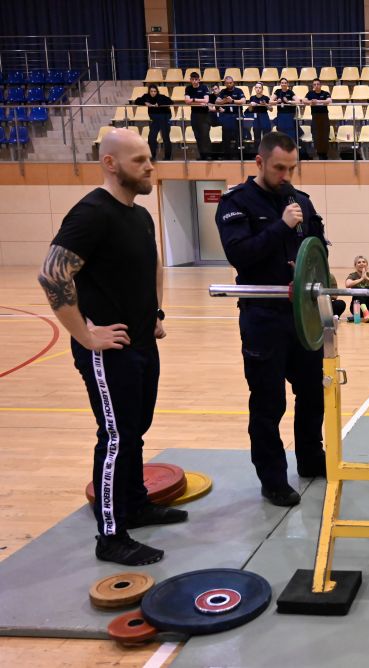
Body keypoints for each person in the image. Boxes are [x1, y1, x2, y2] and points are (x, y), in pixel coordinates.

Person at [39, 128, 181, 565]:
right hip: (108, 352)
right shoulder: (91, 214)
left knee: (136, 428)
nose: (150, 167)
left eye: (150, 158)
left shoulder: (140, 215)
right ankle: (111, 535)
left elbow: (152, 264)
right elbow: (52, 273)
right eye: (140, 160)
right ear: (110, 163)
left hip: (141, 343)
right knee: (117, 438)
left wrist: (155, 313)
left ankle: (135, 504)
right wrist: (85, 335)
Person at [215, 131, 339, 507]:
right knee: (268, 402)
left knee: (312, 394)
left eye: (291, 168)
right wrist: (280, 226)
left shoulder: (302, 201)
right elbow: (240, 255)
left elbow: (317, 254)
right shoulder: (236, 203)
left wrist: (327, 293)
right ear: (260, 162)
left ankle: (310, 458)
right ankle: (272, 479)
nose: (286, 175)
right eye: (279, 168)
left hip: (304, 317)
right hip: (263, 318)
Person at [135, 84, 172, 161]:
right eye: (151, 91)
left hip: (164, 118)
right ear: (149, 91)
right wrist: (145, 103)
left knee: (166, 138)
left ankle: (167, 157)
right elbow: (137, 100)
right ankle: (152, 156)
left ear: (157, 91)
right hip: (155, 120)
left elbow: (170, 101)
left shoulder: (161, 96)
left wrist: (159, 103)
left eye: (155, 91)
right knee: (151, 138)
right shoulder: (146, 96)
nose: (153, 93)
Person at [345, 255, 369, 323]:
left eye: (363, 262)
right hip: (358, 309)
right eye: (359, 262)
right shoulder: (353, 275)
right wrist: (361, 279)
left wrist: (367, 278)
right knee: (359, 290)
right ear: (355, 265)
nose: (361, 264)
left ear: (367, 264)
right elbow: (347, 284)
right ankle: (366, 313)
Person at [216, 76, 246, 159]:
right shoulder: (223, 91)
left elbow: (243, 101)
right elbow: (217, 101)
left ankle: (238, 155)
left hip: (237, 115)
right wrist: (224, 101)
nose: (229, 84)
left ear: (233, 82)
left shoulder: (238, 90)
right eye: (227, 83)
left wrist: (232, 101)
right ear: (225, 84)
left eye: (230, 83)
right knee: (226, 136)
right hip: (227, 116)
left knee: (238, 136)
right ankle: (227, 155)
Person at [184, 71, 212, 159]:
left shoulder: (204, 87)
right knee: (197, 136)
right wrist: (199, 101)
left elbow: (206, 100)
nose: (194, 81)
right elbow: (187, 101)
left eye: (196, 79)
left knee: (205, 136)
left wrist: (193, 100)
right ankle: (202, 155)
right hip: (194, 115)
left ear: (199, 80)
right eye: (193, 79)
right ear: (190, 80)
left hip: (204, 115)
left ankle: (209, 155)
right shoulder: (188, 88)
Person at [305, 79, 331, 160]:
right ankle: (319, 154)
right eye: (314, 84)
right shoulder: (310, 93)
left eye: (318, 84)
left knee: (325, 136)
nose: (316, 86)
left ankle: (324, 154)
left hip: (324, 116)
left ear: (320, 85)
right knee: (316, 136)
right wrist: (310, 102)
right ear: (313, 86)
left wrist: (317, 101)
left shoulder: (325, 93)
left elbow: (329, 101)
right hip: (315, 116)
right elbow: (304, 100)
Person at [247, 83, 273, 152]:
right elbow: (250, 110)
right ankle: (257, 153)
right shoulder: (252, 98)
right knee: (257, 136)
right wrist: (251, 105)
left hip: (264, 116)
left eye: (259, 88)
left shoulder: (266, 98)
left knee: (266, 136)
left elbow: (271, 109)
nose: (258, 89)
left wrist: (265, 104)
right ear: (255, 89)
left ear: (262, 89)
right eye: (256, 87)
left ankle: (267, 153)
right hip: (256, 117)